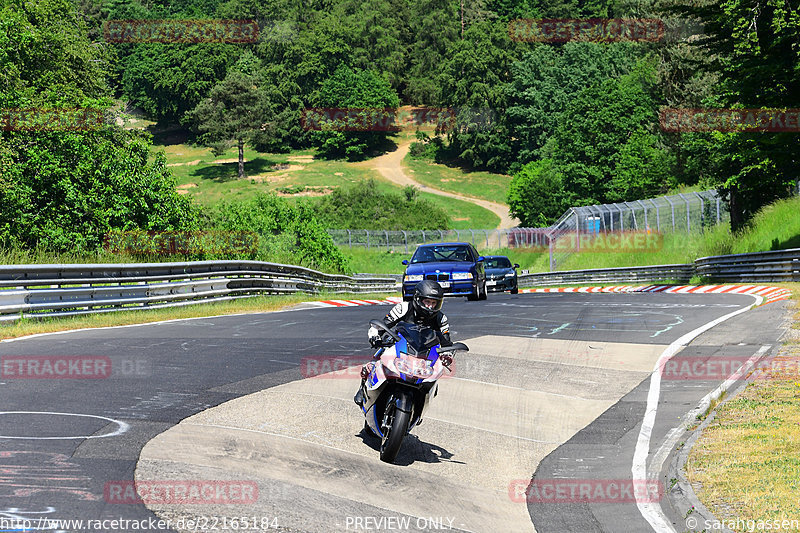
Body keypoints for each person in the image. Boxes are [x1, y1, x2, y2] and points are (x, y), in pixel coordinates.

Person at [353, 280, 452, 406]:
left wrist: (448, 354)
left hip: (423, 352)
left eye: (434, 303)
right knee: (379, 355)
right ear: (418, 299)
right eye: (427, 302)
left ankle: (423, 402)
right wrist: (375, 335)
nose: (430, 307)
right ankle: (363, 387)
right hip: (400, 343)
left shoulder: (441, 318)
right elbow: (384, 324)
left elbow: (447, 341)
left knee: (435, 375)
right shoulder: (403, 308)